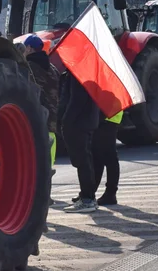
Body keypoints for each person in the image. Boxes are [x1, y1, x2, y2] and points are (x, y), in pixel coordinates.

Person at [59, 70, 101, 213]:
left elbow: (76, 101)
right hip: (86, 121)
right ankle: (87, 196)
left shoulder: (79, 74)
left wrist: (66, 122)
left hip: (79, 123)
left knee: (82, 161)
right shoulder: (84, 72)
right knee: (84, 160)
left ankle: (88, 199)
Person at [18, 35, 60, 168]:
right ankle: (48, 175)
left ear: (29, 48)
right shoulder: (52, 68)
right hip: (52, 116)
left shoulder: (28, 67)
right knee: (50, 149)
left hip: (36, 117)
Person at [92, 109, 123, 206]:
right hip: (106, 116)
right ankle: (90, 193)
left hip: (109, 116)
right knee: (97, 156)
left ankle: (110, 193)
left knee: (109, 157)